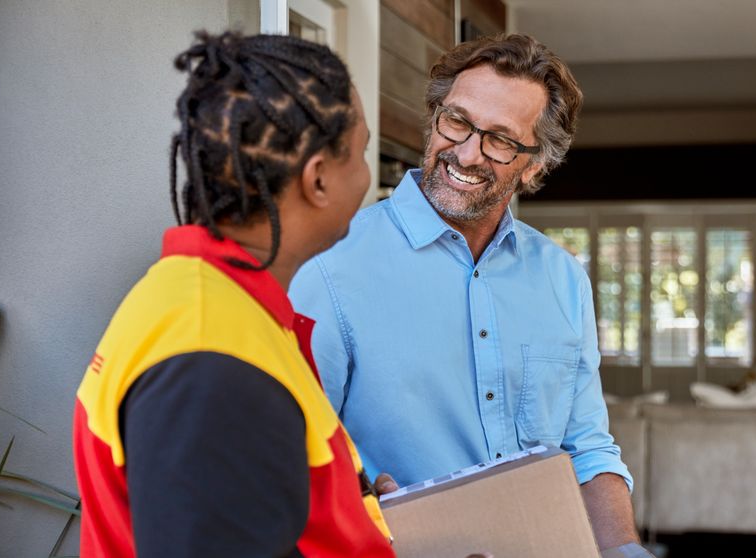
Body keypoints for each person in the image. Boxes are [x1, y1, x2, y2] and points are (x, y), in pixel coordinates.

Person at [290, 34, 646, 554]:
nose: (466, 152)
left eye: (500, 139)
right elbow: (298, 457)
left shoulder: (563, 279)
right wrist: (362, 503)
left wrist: (627, 551)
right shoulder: (328, 266)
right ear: (435, 115)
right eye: (456, 120)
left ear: (534, 166)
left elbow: (586, 449)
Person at [72, 32, 395, 557]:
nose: (367, 176)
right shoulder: (209, 366)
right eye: (360, 152)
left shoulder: (215, 308)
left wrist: (356, 511)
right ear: (318, 180)